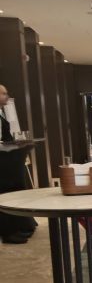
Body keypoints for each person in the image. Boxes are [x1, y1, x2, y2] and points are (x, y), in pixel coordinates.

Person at [0, 84, 37, 244]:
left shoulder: (2, 113)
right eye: (3, 93)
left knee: (11, 192)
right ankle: (7, 232)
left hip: (7, 160)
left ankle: (15, 227)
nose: (7, 96)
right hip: (2, 161)